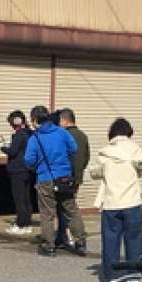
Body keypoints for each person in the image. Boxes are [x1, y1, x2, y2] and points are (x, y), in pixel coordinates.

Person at [91, 118, 142, 282]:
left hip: (111, 202)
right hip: (132, 201)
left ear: (112, 133)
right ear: (129, 133)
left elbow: (95, 173)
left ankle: (112, 279)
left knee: (110, 242)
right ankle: (133, 279)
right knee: (134, 241)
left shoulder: (105, 152)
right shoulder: (136, 150)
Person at [24, 105, 87, 258]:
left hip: (45, 179)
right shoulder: (61, 132)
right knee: (71, 210)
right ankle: (80, 242)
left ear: (34, 120)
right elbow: (73, 148)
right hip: (64, 177)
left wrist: (39, 165)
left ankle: (49, 245)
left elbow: (29, 160)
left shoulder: (35, 138)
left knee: (47, 214)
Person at [56, 108, 89, 253]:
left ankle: (77, 238)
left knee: (68, 208)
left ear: (64, 120)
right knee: (67, 207)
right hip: (76, 178)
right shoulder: (82, 135)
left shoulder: (64, 135)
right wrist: (79, 172)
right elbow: (86, 157)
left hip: (64, 178)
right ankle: (62, 235)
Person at [0, 110, 33, 236]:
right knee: (26, 199)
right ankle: (27, 223)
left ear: (16, 121)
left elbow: (13, 152)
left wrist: (2, 147)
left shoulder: (20, 134)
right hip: (27, 170)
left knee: (19, 199)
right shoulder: (29, 133)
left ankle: (21, 225)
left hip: (18, 170)